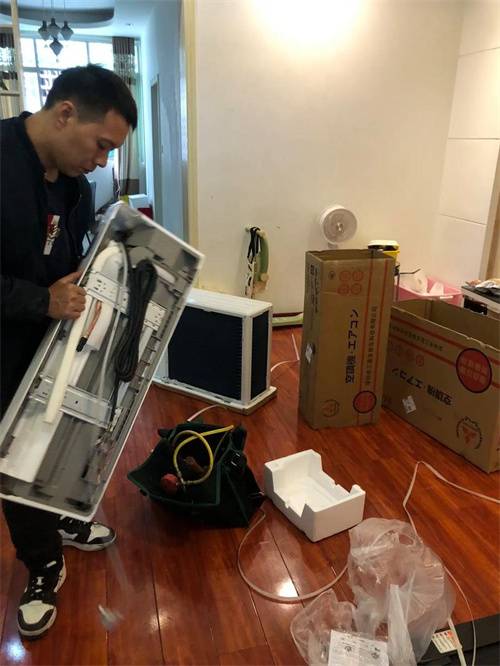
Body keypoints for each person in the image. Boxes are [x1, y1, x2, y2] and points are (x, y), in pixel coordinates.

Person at [0, 65, 137, 638]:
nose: (102, 161)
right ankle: (42, 564)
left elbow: (68, 262)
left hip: (55, 338)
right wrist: (42, 300)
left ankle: (64, 519)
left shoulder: (76, 188)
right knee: (15, 454)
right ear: (64, 114)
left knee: (60, 431)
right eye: (101, 145)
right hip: (5, 343)